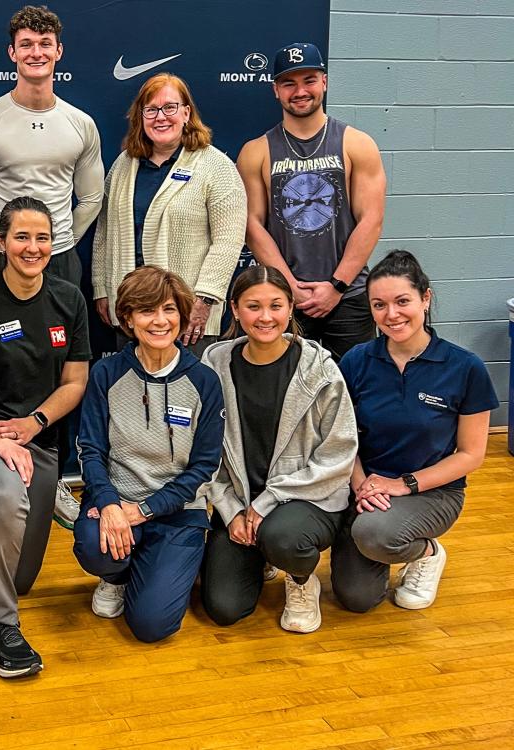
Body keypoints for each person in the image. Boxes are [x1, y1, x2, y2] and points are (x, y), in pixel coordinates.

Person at [0, 196, 90, 677]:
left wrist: (33, 425)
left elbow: (75, 383)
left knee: (20, 577)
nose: (32, 247)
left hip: (36, 441)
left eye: (41, 237)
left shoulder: (69, 299)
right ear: (1, 242)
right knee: (5, 494)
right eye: (21, 237)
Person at [331, 250, 497, 613]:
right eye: (379, 305)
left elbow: (472, 454)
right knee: (356, 598)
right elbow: (342, 438)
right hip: (365, 489)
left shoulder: (465, 367)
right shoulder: (357, 360)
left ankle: (426, 553)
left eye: (402, 301)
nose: (391, 315)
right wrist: (361, 485)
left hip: (432, 492)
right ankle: (377, 535)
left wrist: (401, 484)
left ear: (425, 298)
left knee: (372, 535)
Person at [199, 266, 357, 633]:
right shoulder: (214, 365)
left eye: (276, 305)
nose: (266, 317)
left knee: (282, 536)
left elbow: (338, 455)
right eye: (254, 306)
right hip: (241, 504)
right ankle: (262, 555)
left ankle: (302, 581)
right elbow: (205, 453)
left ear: (290, 309)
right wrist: (231, 510)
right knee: (224, 608)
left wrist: (266, 502)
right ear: (235, 310)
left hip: (306, 501)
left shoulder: (320, 370)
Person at [72, 267, 224, 642]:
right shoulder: (106, 373)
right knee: (96, 549)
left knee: (152, 626)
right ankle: (117, 576)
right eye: (147, 311)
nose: (160, 321)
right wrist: (108, 504)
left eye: (169, 310)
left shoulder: (204, 381)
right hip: (116, 502)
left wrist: (144, 511)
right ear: (127, 317)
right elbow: (90, 450)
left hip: (176, 513)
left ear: (182, 315)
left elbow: (205, 467)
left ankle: (172, 564)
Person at [238, 42, 386, 361]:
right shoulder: (256, 151)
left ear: (324, 82)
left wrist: (336, 285)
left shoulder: (357, 144)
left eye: (309, 80)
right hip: (283, 299)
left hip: (349, 296)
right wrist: (289, 286)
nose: (300, 91)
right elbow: (252, 224)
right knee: (288, 393)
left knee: (352, 393)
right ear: (276, 90)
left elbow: (371, 219)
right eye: (289, 83)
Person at [92, 73, 246, 357]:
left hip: (187, 316)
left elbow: (229, 240)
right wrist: (103, 287)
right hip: (130, 311)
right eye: (150, 109)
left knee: (186, 397)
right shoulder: (124, 166)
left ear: (186, 113)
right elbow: (104, 231)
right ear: (140, 116)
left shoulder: (215, 166)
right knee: (133, 394)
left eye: (170, 107)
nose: (160, 117)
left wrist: (203, 301)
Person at [0, 4, 104, 286]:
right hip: (1, 255)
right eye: (26, 45)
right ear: (13, 53)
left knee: (62, 332)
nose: (36, 53)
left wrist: (59, 244)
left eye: (45, 44)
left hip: (60, 258)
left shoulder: (82, 124)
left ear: (59, 51)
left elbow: (92, 198)